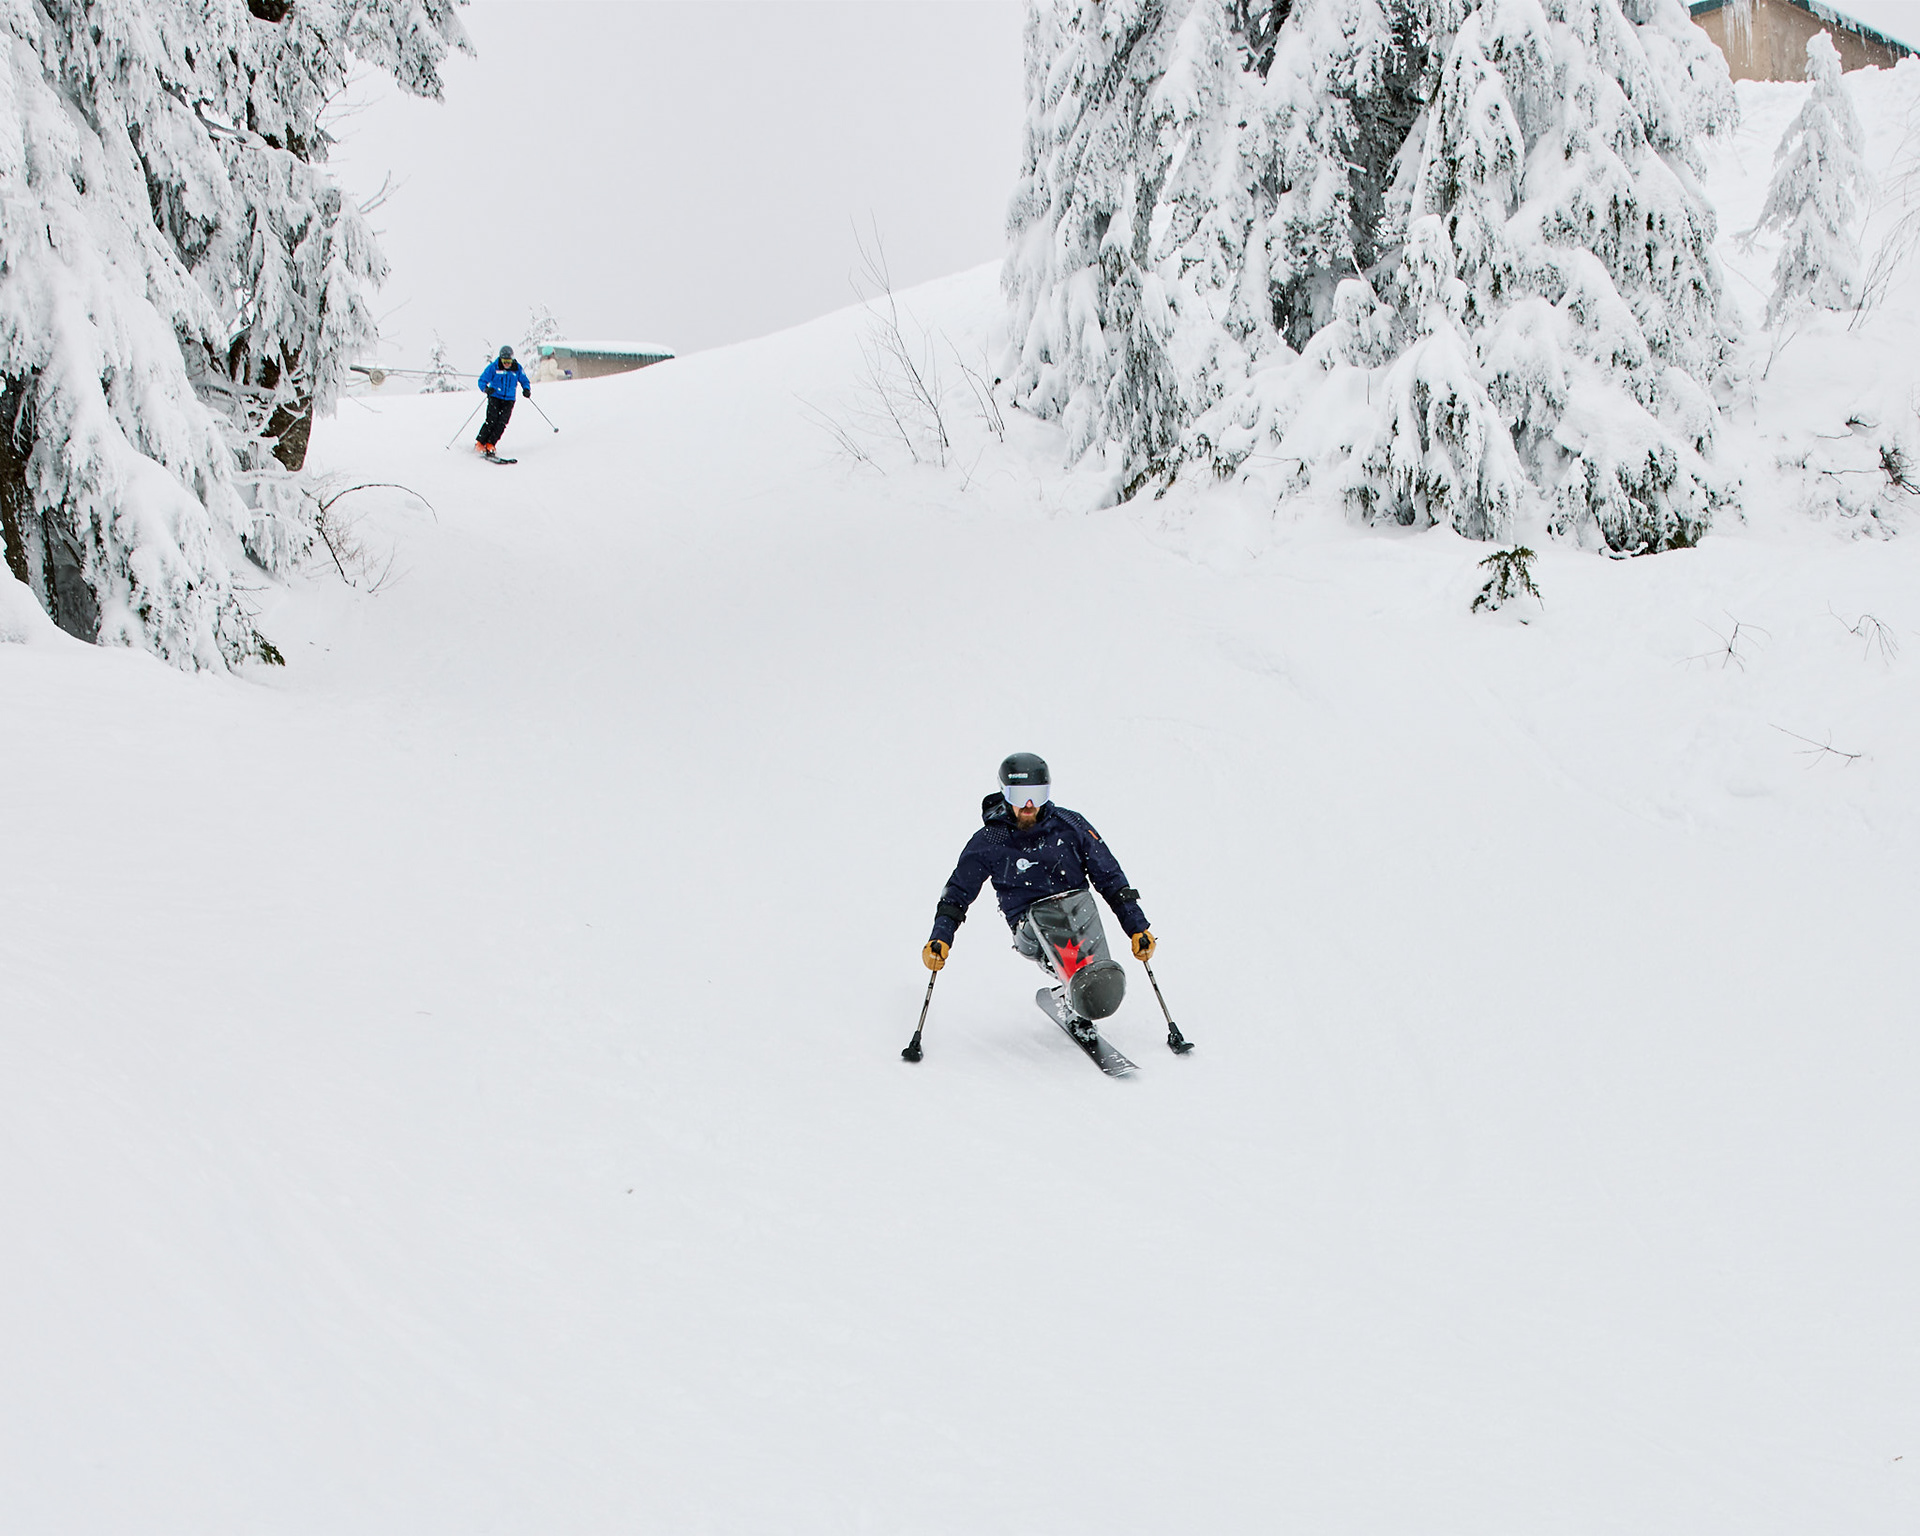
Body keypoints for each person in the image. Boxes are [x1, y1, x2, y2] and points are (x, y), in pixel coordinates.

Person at [923, 753, 1156, 1045]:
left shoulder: (1070, 825)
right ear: (1005, 794)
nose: (1029, 805)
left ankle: (1088, 985)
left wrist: (1137, 927)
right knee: (1050, 912)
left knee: (1080, 901)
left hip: (1079, 918)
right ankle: (1076, 989)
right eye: (1020, 796)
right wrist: (940, 938)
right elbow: (957, 893)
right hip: (1030, 928)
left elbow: (1110, 877)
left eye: (1037, 795)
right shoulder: (990, 842)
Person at [475, 345, 532, 456]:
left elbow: (525, 380)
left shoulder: (517, 368)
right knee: (491, 420)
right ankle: (480, 443)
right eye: (504, 361)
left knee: (502, 422)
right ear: (501, 359)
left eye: (509, 361)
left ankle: (491, 443)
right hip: (495, 397)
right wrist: (486, 389)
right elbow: (482, 380)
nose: (506, 364)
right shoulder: (494, 367)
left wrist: (526, 389)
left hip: (509, 399)